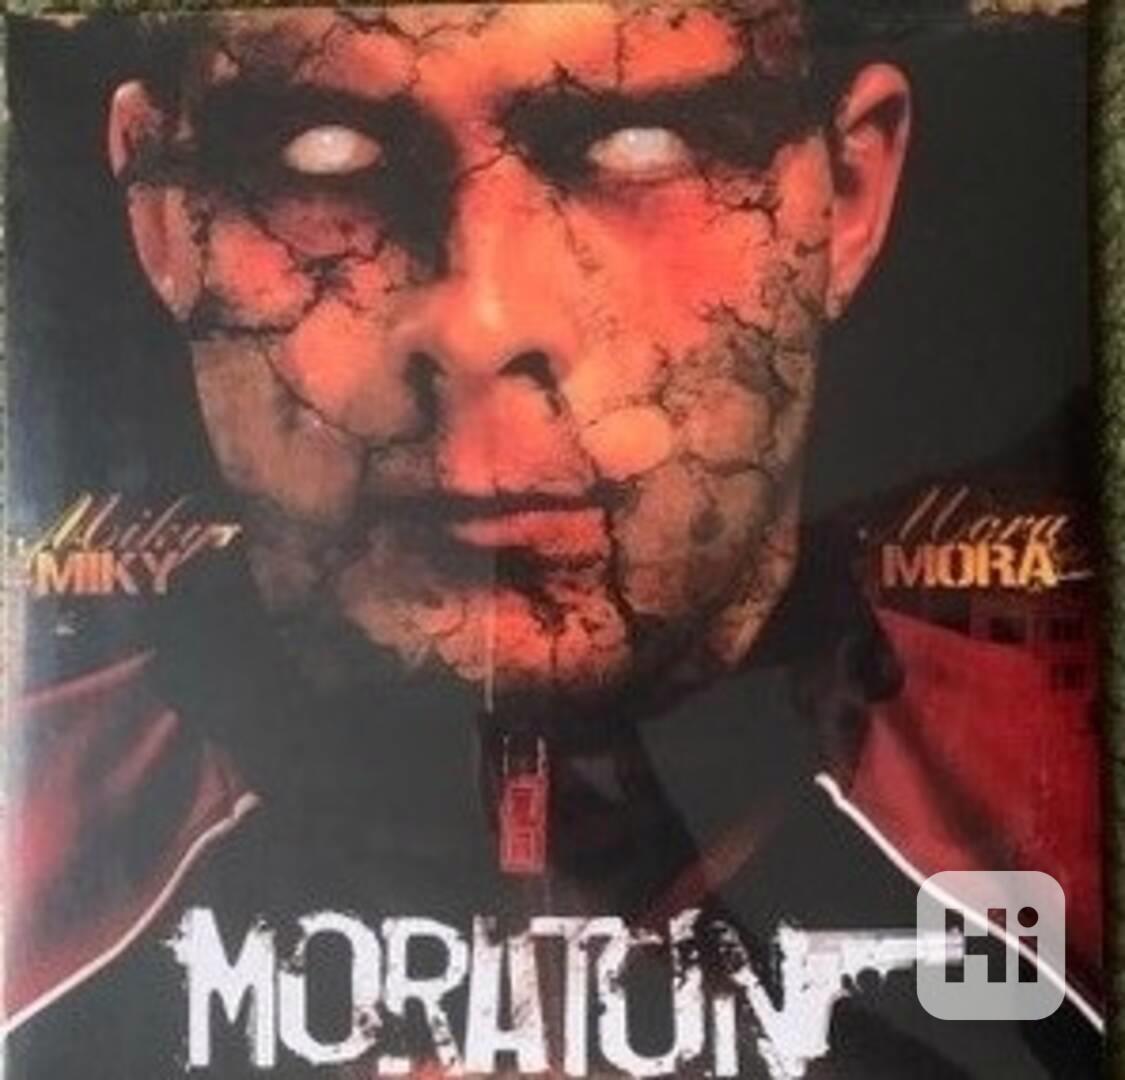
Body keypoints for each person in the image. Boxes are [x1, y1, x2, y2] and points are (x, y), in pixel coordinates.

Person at [4, 3, 1104, 1077]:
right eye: (321, 154)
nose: (479, 324)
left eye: (643, 146)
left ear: (847, 193)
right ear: (163, 211)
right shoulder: (38, 859)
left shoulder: (1061, 842)